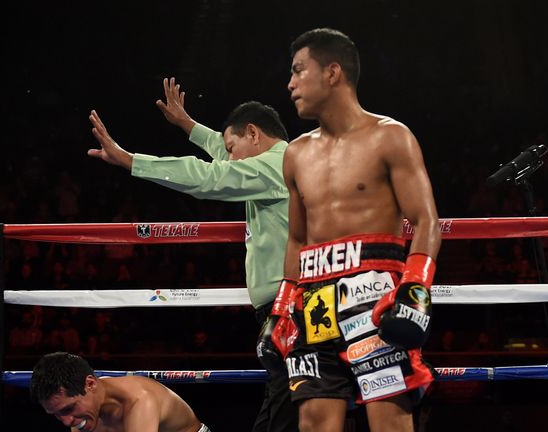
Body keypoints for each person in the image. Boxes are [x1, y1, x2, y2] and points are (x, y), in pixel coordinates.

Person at [87, 78, 298, 431]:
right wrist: (188, 126)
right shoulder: (276, 163)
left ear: (254, 134)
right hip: (283, 306)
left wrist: (130, 161)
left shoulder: (275, 166)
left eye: (233, 147)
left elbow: (208, 177)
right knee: (285, 405)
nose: (228, 156)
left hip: (289, 305)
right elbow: (221, 152)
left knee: (285, 410)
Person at [275, 28, 442, 431]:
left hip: (373, 294)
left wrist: (414, 289)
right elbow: (298, 237)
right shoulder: (296, 154)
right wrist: (283, 304)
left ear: (333, 73)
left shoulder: (390, 137)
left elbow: (426, 221)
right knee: (315, 420)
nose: (290, 83)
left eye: (299, 71)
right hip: (313, 298)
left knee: (387, 419)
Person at [30, 351, 209, 431]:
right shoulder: (85, 410)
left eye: (68, 409)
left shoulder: (139, 401)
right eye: (56, 415)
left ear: (90, 384)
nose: (66, 422)